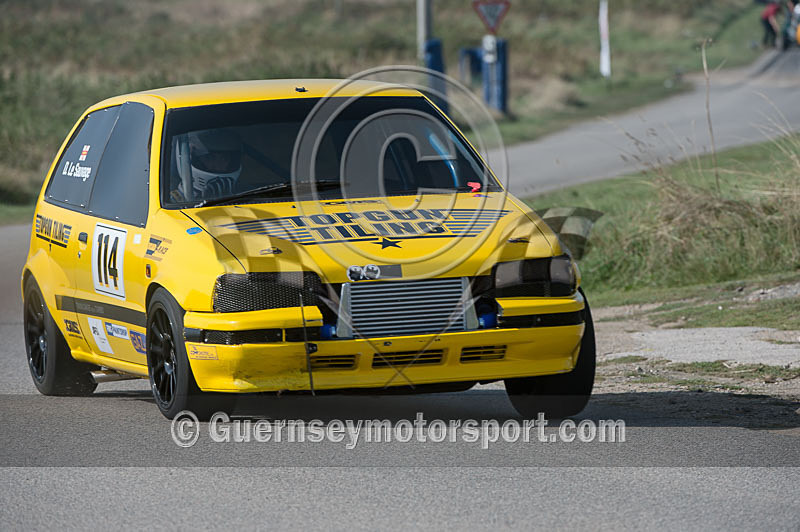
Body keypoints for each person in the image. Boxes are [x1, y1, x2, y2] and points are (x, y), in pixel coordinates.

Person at [173, 128, 242, 202]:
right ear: (188, 159)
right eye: (210, 157)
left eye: (225, 158)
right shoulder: (172, 204)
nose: (219, 166)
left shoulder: (247, 195)